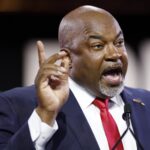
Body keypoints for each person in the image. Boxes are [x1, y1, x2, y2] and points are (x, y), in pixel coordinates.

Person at [0, 5, 150, 150]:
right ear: (68, 58)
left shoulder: (146, 104)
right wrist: (46, 114)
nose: (115, 54)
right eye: (98, 45)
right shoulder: (15, 106)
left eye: (119, 43)